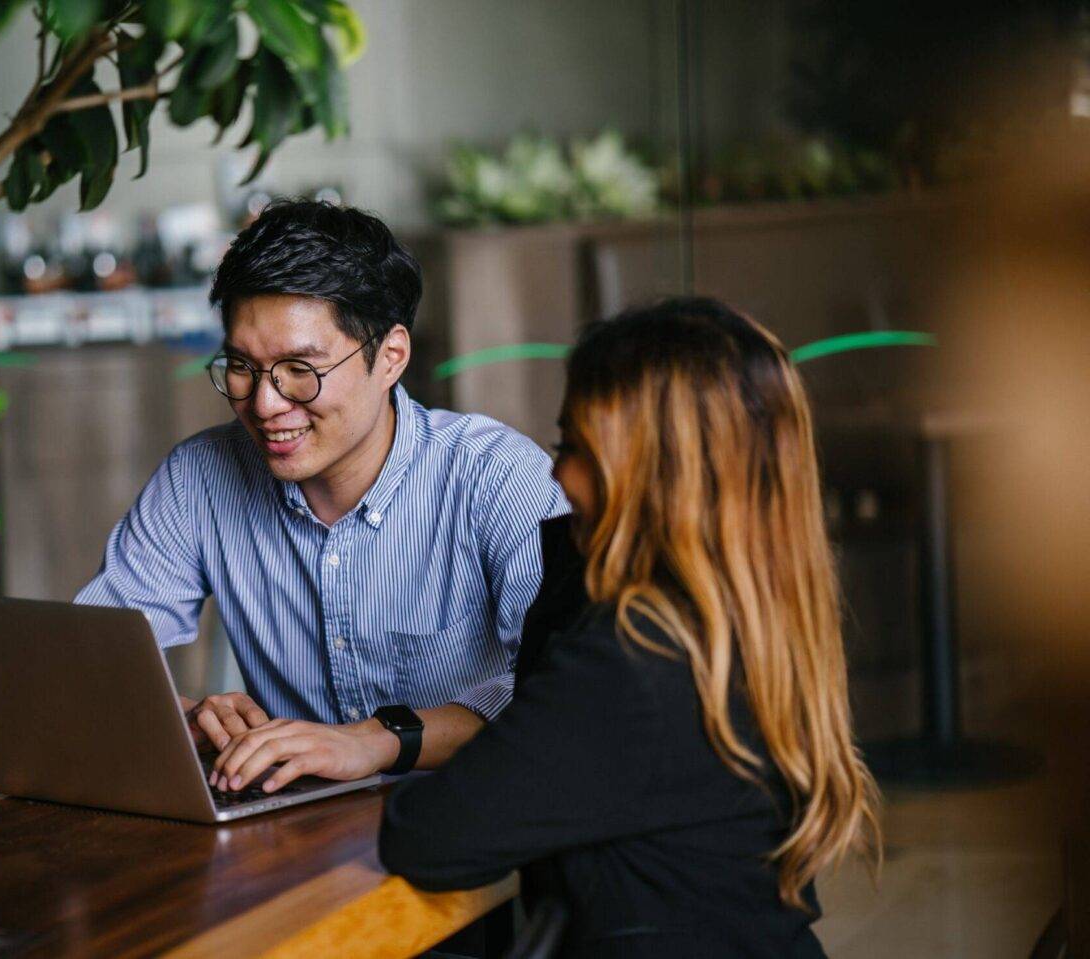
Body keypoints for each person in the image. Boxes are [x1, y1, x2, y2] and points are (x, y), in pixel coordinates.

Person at [379, 297, 882, 958]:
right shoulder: (745, 626)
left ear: (654, 474)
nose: (558, 475)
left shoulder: (633, 657)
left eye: (577, 449)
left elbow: (430, 837)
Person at [76, 200, 567, 793]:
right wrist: (185, 719)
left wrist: (375, 741)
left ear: (390, 357)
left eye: (299, 370)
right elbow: (91, 659)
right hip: (296, 837)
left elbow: (561, 694)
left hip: (465, 828)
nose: (264, 404)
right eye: (241, 366)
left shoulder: (496, 478)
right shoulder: (200, 477)